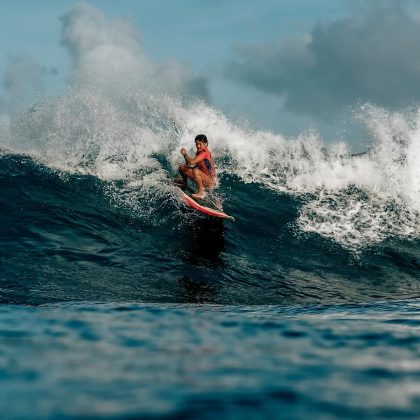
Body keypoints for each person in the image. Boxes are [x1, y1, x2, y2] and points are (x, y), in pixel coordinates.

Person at [176, 134, 216, 199]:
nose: (198, 146)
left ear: (206, 144)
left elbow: (191, 162)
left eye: (200, 144)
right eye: (196, 144)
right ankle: (184, 183)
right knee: (181, 167)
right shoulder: (199, 152)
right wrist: (185, 158)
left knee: (195, 170)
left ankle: (201, 193)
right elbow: (190, 164)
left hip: (210, 182)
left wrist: (185, 154)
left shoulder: (204, 153)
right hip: (202, 177)